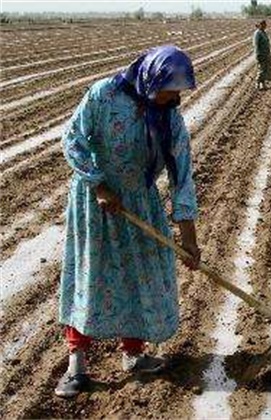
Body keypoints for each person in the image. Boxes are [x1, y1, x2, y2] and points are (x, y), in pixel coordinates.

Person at [55, 45, 201, 398]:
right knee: (92, 274)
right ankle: (77, 365)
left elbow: (182, 177)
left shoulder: (169, 117)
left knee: (142, 274)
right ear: (152, 78)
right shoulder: (104, 95)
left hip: (139, 202)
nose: (173, 99)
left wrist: (189, 239)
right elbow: (72, 140)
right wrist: (100, 185)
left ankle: (133, 355)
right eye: (169, 90)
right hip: (97, 202)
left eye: (178, 92)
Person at [253, 20, 271, 90]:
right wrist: (258, 54)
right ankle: (257, 83)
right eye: (264, 24)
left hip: (266, 54)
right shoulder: (257, 33)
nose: (265, 26)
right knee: (261, 69)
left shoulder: (263, 32)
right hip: (261, 54)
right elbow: (256, 45)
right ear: (260, 25)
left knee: (265, 69)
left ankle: (263, 84)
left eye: (265, 24)